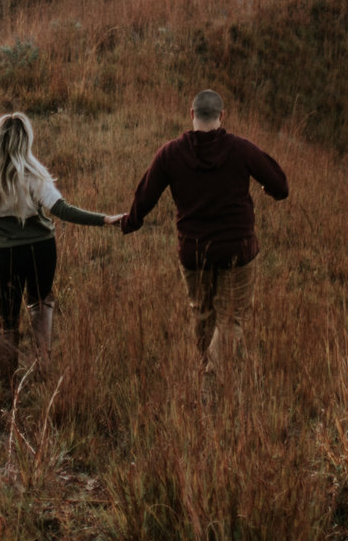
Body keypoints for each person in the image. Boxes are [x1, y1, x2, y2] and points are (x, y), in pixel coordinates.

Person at [117, 89, 290, 385]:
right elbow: (280, 185)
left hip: (194, 252)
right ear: (222, 116)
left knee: (202, 313)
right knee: (231, 318)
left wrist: (129, 222)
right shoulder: (241, 148)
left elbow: (145, 195)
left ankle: (206, 374)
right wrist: (269, 190)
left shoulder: (170, 153)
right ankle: (213, 384)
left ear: (191, 114)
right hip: (238, 249)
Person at [0, 111, 117, 372]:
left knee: (8, 317)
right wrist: (104, 219)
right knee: (40, 304)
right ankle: (42, 368)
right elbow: (62, 209)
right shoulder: (32, 171)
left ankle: (10, 383)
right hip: (42, 250)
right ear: (25, 140)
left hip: (7, 255)